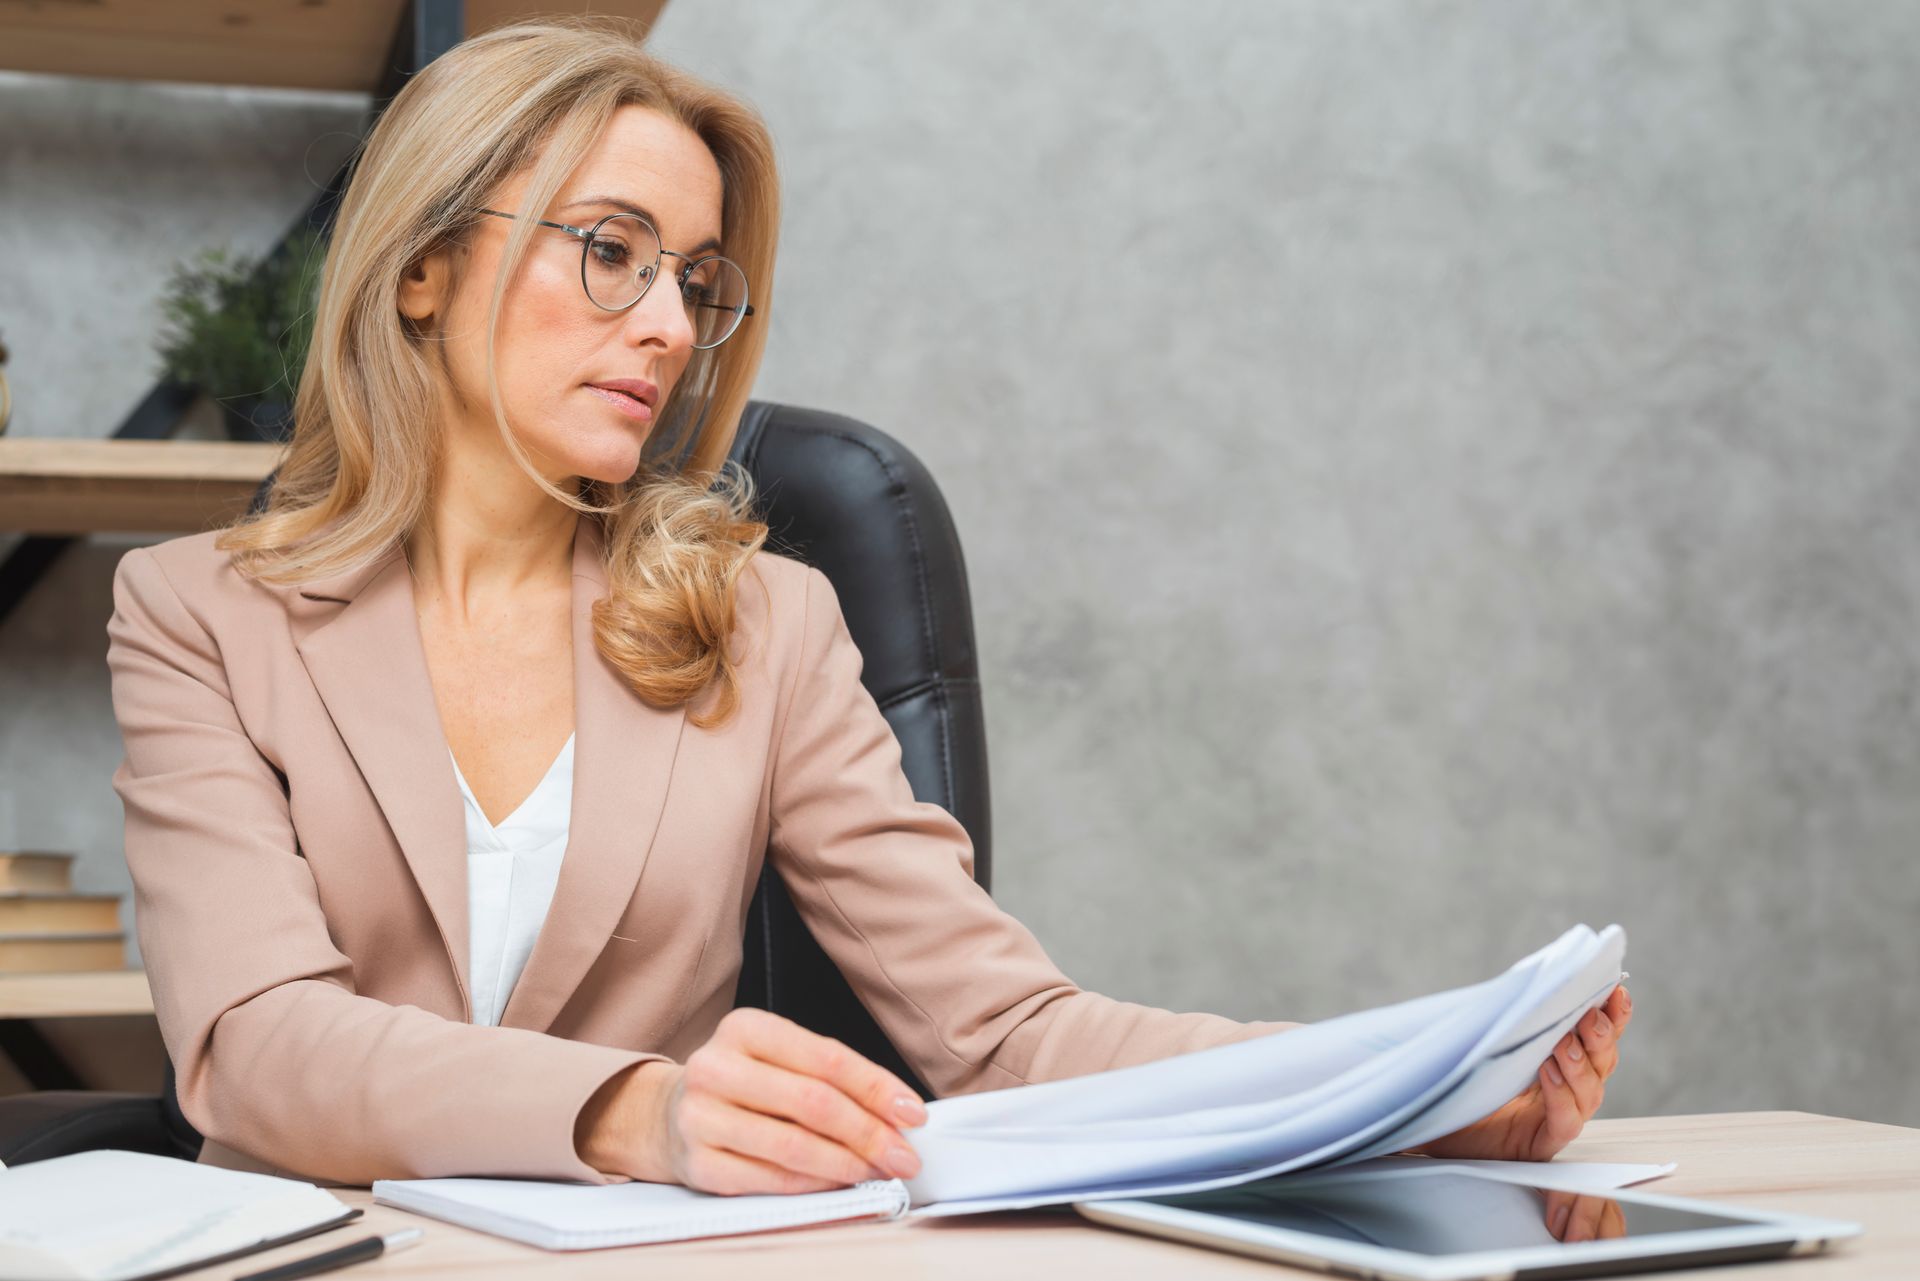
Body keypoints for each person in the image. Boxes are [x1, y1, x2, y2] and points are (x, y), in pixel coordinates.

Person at [104, 16, 1632, 1195]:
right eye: (610, 253)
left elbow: (1005, 1026)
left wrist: (1402, 1090)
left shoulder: (765, 623)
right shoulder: (195, 616)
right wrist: (636, 1107)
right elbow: (255, 1045)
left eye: (696, 283)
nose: (664, 327)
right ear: (426, 267)